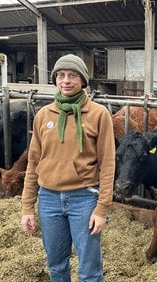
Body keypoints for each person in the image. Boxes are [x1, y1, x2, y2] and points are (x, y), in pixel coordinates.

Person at [21, 53, 115, 282]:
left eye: (72, 75)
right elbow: (33, 162)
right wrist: (27, 207)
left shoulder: (98, 114)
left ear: (83, 80)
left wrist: (102, 208)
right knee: (56, 264)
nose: (66, 80)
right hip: (49, 199)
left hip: (84, 199)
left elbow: (108, 163)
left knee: (89, 269)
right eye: (61, 75)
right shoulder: (43, 115)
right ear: (55, 80)